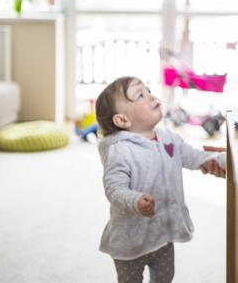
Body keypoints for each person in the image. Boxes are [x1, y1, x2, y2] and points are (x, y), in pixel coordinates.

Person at [95, 76, 226, 283]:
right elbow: (114, 188)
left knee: (165, 277)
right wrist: (135, 200)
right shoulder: (119, 151)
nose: (150, 96)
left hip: (162, 232)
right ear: (123, 120)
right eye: (140, 95)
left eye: (147, 90)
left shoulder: (168, 138)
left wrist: (219, 160)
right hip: (131, 240)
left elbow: (194, 157)